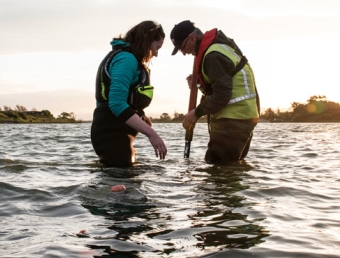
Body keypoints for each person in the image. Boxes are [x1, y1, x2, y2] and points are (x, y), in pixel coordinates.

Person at [170, 20, 259, 163]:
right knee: (229, 168)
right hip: (241, 117)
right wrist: (200, 81)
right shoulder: (218, 48)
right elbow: (225, 80)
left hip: (233, 120)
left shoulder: (213, 55)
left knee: (217, 165)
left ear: (192, 38)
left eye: (182, 47)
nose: (184, 53)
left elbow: (222, 94)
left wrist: (196, 113)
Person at [91, 20, 168, 167]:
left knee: (127, 179)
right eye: (157, 47)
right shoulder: (126, 59)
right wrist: (151, 134)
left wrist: (141, 117)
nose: (156, 54)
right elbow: (115, 103)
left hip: (117, 131)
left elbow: (119, 99)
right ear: (146, 41)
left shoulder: (127, 58)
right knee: (121, 182)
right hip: (111, 133)